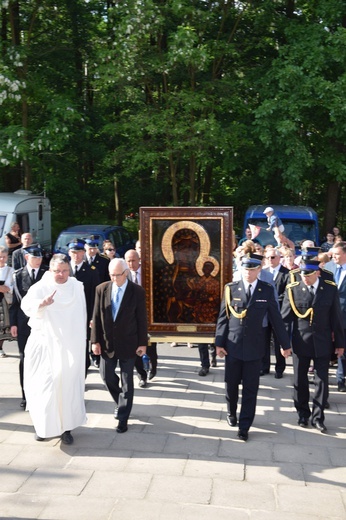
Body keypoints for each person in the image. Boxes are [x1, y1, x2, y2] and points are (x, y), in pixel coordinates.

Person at [215, 253, 291, 441]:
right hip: (232, 346)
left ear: (259, 270)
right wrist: (218, 343)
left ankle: (244, 425)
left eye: (252, 269)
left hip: (255, 348)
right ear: (241, 269)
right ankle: (231, 411)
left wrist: (285, 344)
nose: (248, 273)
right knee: (231, 385)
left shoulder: (266, 290)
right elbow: (223, 318)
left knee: (251, 388)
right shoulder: (231, 289)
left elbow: (276, 320)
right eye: (245, 269)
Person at [21, 254, 87, 443]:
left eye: (65, 270)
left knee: (66, 387)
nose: (61, 275)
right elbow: (26, 305)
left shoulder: (77, 287)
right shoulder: (41, 286)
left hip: (69, 346)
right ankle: (43, 427)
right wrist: (42, 303)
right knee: (44, 387)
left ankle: (66, 429)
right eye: (57, 271)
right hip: (44, 345)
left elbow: (81, 315)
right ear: (50, 270)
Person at [281, 258, 344, 432]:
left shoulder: (329, 289)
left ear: (317, 273)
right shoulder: (293, 290)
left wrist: (340, 344)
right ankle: (303, 414)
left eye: (308, 274)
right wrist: (284, 344)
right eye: (302, 274)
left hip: (322, 342)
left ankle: (318, 417)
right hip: (300, 342)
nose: (304, 278)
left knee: (321, 381)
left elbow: (336, 318)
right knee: (300, 380)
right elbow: (285, 320)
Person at [91, 258, 148, 433]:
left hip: (128, 343)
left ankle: (123, 418)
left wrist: (142, 344)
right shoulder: (102, 289)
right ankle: (120, 401)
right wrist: (94, 341)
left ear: (126, 273)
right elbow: (96, 316)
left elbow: (141, 319)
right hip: (107, 343)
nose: (114, 278)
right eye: (111, 275)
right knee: (106, 376)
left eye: (118, 275)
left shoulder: (136, 291)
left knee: (127, 382)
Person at [10, 245, 48, 408]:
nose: (38, 261)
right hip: (24, 323)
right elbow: (15, 302)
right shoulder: (18, 275)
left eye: (39, 258)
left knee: (44, 359)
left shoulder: (47, 274)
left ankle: (42, 393)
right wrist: (13, 324)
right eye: (35, 258)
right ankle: (26, 395)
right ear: (26, 258)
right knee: (25, 359)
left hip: (44, 323)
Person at [124, 248, 157, 384]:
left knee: (150, 345)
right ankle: (141, 375)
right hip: (132, 317)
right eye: (128, 261)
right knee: (135, 345)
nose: (131, 264)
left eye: (133, 260)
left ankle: (153, 366)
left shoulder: (148, 273)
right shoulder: (124, 275)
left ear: (139, 260)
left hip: (149, 315)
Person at [68, 239, 100, 371]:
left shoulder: (91, 271)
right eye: (74, 252)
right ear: (69, 253)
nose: (76, 255)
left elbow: (95, 297)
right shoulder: (63, 270)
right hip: (66, 315)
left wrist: (93, 316)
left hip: (84, 314)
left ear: (83, 253)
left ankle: (83, 372)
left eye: (79, 252)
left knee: (82, 344)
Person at [262, 247, 290, 378]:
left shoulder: (287, 274)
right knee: (264, 340)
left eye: (272, 257)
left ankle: (280, 368)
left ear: (279, 258)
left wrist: (273, 301)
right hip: (265, 313)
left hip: (279, 312)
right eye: (267, 257)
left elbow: (287, 294)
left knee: (279, 340)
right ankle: (264, 366)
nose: (269, 260)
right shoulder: (263, 272)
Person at [325, 241, 346, 392]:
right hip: (327, 316)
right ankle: (322, 379)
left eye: (337, 254)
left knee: (343, 349)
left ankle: (341, 379)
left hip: (344, 317)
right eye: (333, 254)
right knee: (326, 348)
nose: (334, 257)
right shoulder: (328, 267)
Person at [0, 246, 14, 358]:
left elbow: (11, 286)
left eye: (3, 257)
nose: (1, 259)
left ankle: (0, 348)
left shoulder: (10, 270)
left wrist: (6, 288)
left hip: (3, 300)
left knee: (3, 325)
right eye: (0, 256)